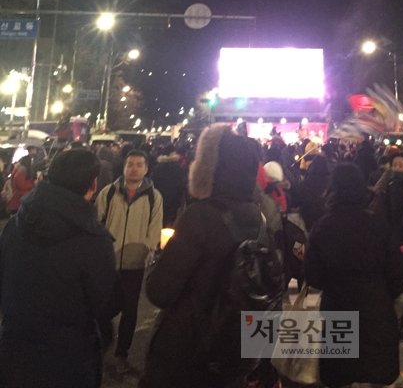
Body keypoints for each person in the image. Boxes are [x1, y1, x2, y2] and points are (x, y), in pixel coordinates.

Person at [139, 124, 275, 388]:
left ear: (212, 168)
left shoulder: (199, 216)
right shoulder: (260, 218)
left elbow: (159, 292)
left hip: (185, 355)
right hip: (231, 355)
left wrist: (161, 255)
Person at [0, 149, 117, 388]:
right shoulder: (94, 240)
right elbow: (105, 304)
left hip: (15, 350)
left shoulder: (15, 225)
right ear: (93, 184)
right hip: (68, 361)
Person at [303, 163, 403, 388]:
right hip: (376, 308)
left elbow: (313, 277)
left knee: (341, 373)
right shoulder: (378, 224)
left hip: (338, 307)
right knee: (377, 370)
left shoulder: (322, 227)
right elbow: (397, 273)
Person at [95, 149, 163, 374]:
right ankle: (100, 349)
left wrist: (146, 248)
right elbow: (97, 224)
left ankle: (121, 355)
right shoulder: (108, 192)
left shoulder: (154, 196)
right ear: (123, 168)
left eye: (139, 164)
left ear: (145, 169)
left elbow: (154, 230)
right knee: (103, 308)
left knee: (130, 311)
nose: (134, 168)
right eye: (130, 164)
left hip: (135, 264)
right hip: (108, 262)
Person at [289, 154, 329, 231]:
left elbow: (295, 201)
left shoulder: (305, 184)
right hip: (327, 223)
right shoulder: (331, 183)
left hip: (308, 222)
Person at [151, 145, 186, 226]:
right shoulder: (178, 167)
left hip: (159, 198)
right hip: (173, 200)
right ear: (172, 153)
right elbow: (181, 185)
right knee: (170, 222)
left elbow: (153, 183)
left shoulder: (157, 168)